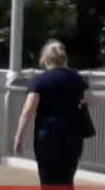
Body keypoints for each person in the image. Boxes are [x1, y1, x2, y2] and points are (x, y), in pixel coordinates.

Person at [13, 40, 95, 189]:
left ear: (46, 59)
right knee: (67, 178)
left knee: (48, 178)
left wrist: (19, 136)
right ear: (64, 59)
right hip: (72, 136)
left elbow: (28, 110)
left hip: (48, 136)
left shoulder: (40, 80)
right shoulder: (76, 78)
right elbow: (90, 100)